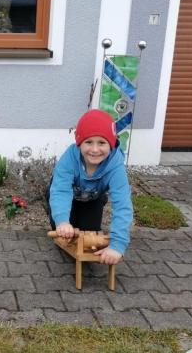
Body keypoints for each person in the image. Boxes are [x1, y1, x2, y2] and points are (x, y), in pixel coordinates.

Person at [47, 109, 133, 265]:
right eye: (88, 142)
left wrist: (117, 246)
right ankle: (62, 219)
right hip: (66, 196)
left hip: (92, 198)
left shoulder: (116, 165)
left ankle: (81, 218)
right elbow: (61, 191)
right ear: (79, 143)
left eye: (101, 142)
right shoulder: (69, 158)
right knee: (66, 234)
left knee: (89, 235)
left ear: (111, 144)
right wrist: (62, 222)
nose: (94, 150)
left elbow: (123, 205)